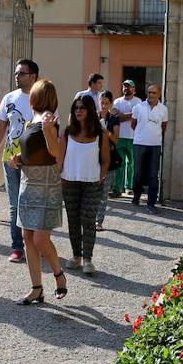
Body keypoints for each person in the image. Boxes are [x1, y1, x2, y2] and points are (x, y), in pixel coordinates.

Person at [10, 79, 67, 304]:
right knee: (27, 237)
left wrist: (46, 129)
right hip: (28, 181)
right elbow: (32, 151)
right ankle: (36, 288)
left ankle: (59, 275)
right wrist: (18, 159)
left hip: (46, 184)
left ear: (37, 96)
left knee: (41, 239)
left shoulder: (49, 119)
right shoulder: (32, 119)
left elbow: (55, 153)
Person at [0, 59, 38, 263]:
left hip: (34, 161)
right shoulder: (9, 98)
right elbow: (0, 130)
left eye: (22, 73)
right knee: (14, 205)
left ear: (33, 76)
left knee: (31, 203)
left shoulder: (42, 99)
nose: (17, 76)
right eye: (16, 73)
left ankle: (34, 244)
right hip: (10, 159)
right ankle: (17, 247)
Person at [60, 95, 109, 276]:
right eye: (75, 108)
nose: (78, 110)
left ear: (89, 110)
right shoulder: (67, 132)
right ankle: (76, 256)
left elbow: (105, 161)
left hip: (92, 184)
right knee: (73, 221)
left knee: (88, 221)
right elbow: (61, 157)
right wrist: (60, 177)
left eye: (82, 107)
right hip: (70, 182)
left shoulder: (100, 133)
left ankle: (88, 259)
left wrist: (100, 177)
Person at [130, 83, 170, 214]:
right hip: (140, 143)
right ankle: (136, 195)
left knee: (153, 174)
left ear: (159, 94)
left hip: (155, 145)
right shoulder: (138, 107)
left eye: (153, 92)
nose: (150, 95)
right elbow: (133, 124)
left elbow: (164, 126)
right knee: (138, 173)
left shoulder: (163, 109)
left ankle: (151, 202)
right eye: (149, 92)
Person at [95, 91, 122, 232]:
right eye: (101, 102)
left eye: (106, 103)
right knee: (92, 191)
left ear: (111, 104)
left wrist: (105, 131)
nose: (104, 105)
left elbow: (116, 140)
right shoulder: (93, 117)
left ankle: (99, 221)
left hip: (109, 159)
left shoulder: (114, 119)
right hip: (93, 159)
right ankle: (90, 218)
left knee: (104, 192)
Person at [111, 79, 139, 196]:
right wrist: (130, 114)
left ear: (134, 89)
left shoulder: (138, 101)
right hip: (119, 137)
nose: (126, 88)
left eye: (129, 86)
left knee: (131, 163)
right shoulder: (117, 101)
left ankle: (129, 187)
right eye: (124, 86)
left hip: (133, 137)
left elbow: (136, 117)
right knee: (119, 163)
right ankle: (117, 188)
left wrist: (122, 115)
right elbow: (115, 116)